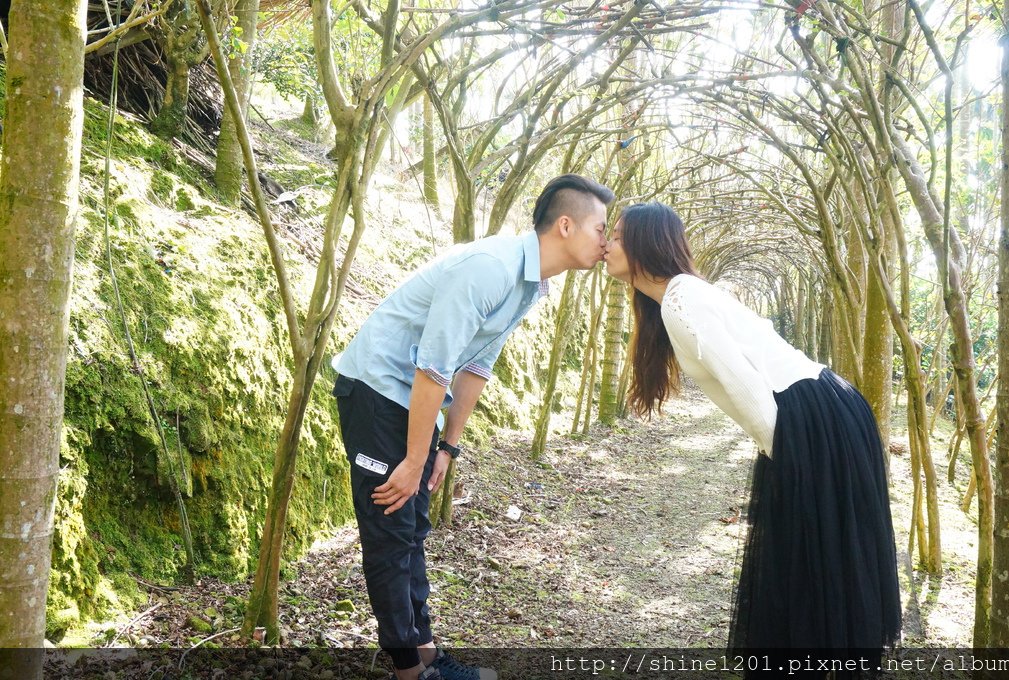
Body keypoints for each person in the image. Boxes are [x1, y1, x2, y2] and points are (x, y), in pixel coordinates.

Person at [331, 175, 615, 680]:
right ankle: (410, 672)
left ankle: (426, 655)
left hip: (415, 400)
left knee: (413, 529)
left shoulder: (532, 284)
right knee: (391, 531)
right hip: (377, 390)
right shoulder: (492, 268)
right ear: (566, 225)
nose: (606, 241)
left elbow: (476, 366)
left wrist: (447, 448)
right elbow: (433, 367)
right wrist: (415, 458)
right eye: (600, 228)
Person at [604, 202, 901, 666]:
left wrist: (791, 461)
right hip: (817, 412)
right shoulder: (675, 299)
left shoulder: (681, 300)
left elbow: (746, 389)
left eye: (617, 236)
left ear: (645, 244)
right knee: (813, 562)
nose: (606, 244)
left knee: (815, 558)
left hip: (810, 419)